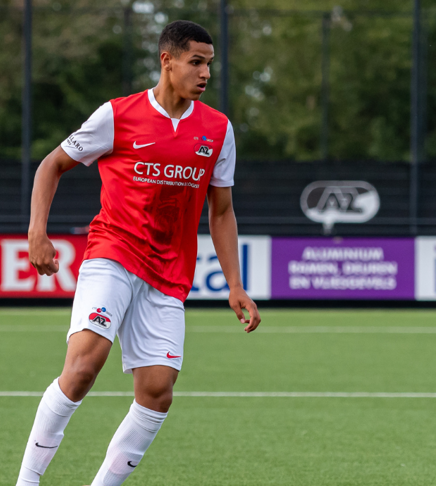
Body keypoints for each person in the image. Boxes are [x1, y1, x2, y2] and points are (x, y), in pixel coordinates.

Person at [16, 20, 261, 486]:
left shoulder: (218, 129)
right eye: (196, 62)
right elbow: (52, 164)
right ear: (167, 61)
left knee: (157, 392)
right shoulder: (118, 115)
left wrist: (235, 284)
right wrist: (37, 232)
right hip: (113, 254)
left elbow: (222, 211)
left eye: (209, 64)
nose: (205, 73)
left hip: (169, 274)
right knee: (83, 367)